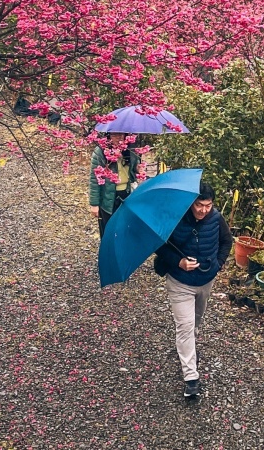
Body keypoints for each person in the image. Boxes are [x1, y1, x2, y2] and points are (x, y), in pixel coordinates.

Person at [155, 182, 233, 398]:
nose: (203, 210)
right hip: (180, 282)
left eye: (208, 206)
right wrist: (179, 262)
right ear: (191, 203)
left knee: (196, 321)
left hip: (206, 280)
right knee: (185, 326)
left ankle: (188, 346)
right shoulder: (175, 218)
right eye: (199, 205)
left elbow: (227, 241)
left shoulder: (216, 218)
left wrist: (218, 263)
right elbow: (159, 246)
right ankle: (191, 377)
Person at [88, 132, 140, 238]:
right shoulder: (101, 152)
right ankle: (108, 253)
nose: (118, 138)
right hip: (108, 196)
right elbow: (95, 179)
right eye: (114, 135)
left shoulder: (130, 150)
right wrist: (94, 204)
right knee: (108, 230)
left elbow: (134, 173)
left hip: (127, 194)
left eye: (121, 135)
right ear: (108, 136)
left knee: (126, 228)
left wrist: (138, 170)